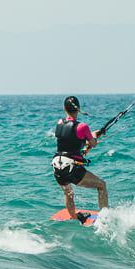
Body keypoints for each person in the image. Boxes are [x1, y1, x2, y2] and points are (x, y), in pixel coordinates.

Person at [51, 95, 108, 223]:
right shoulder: (83, 127)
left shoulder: (59, 123)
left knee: (68, 191)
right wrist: (95, 135)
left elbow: (70, 138)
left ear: (64, 108)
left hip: (57, 166)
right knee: (101, 186)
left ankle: (73, 216)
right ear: (79, 108)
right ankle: (106, 219)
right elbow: (92, 143)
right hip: (71, 167)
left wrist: (91, 136)